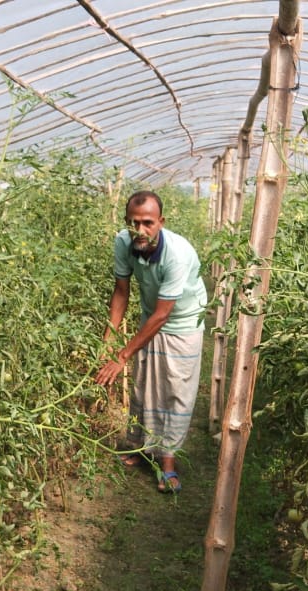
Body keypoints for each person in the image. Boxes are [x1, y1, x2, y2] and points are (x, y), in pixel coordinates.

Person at [95, 190, 208, 493]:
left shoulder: (177, 253)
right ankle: (139, 447)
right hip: (152, 315)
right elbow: (121, 291)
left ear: (161, 221)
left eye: (147, 222)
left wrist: (122, 355)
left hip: (183, 322)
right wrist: (109, 339)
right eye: (133, 223)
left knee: (175, 391)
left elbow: (163, 315)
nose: (140, 230)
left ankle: (167, 463)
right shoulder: (124, 242)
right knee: (144, 386)